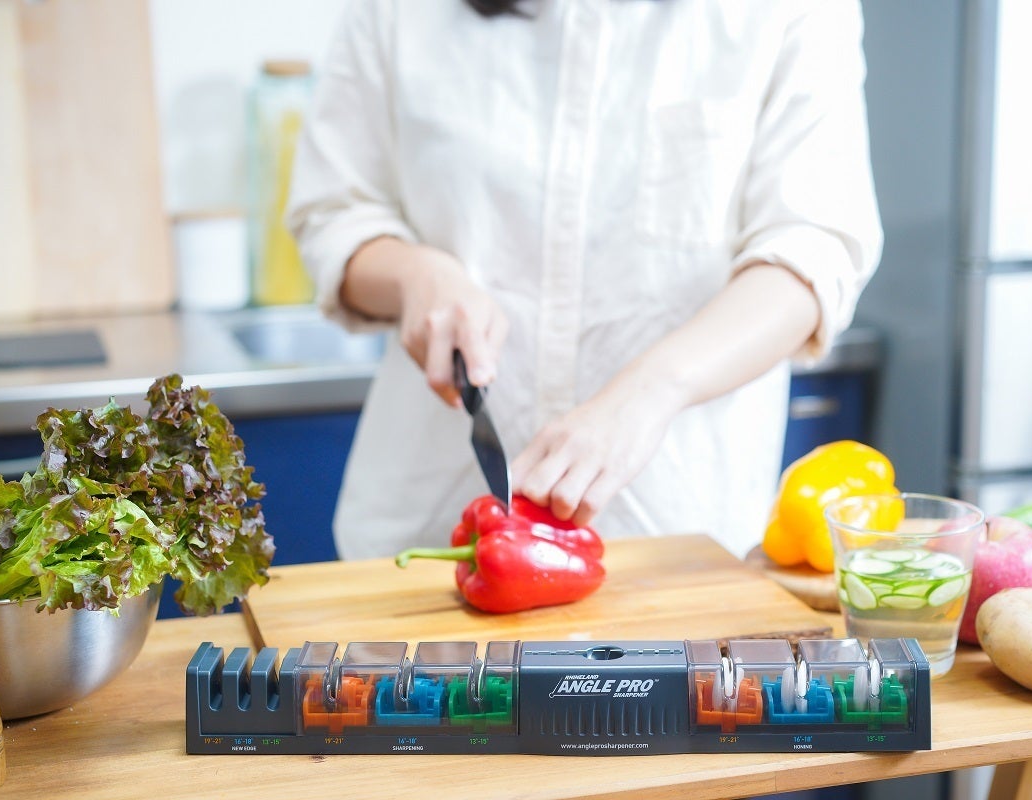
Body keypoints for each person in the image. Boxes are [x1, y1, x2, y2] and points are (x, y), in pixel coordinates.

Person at [286, 0, 883, 561]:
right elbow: (333, 213)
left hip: (675, 540)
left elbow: (814, 249)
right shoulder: (400, 13)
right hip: (429, 526)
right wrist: (416, 274)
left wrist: (652, 389)